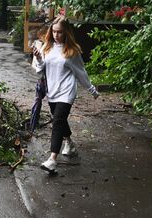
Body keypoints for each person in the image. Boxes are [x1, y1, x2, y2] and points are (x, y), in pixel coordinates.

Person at [33, 16, 99, 174]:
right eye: (54, 31)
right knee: (59, 119)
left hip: (67, 91)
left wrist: (92, 90)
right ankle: (69, 144)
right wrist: (38, 59)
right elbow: (39, 71)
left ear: (67, 33)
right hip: (52, 91)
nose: (56, 35)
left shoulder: (72, 51)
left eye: (60, 32)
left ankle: (52, 160)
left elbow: (81, 73)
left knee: (57, 121)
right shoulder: (46, 48)